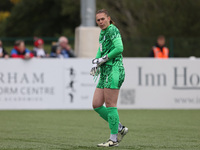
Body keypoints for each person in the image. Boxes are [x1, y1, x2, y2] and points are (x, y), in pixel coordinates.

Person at [90, 9, 128, 147]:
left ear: (108, 18)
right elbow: (100, 50)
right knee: (96, 104)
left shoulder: (112, 30)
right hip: (106, 70)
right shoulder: (102, 33)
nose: (100, 22)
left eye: (102, 19)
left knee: (111, 105)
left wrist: (103, 59)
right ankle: (119, 128)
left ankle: (114, 139)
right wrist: (96, 62)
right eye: (98, 20)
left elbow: (119, 48)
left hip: (114, 69)